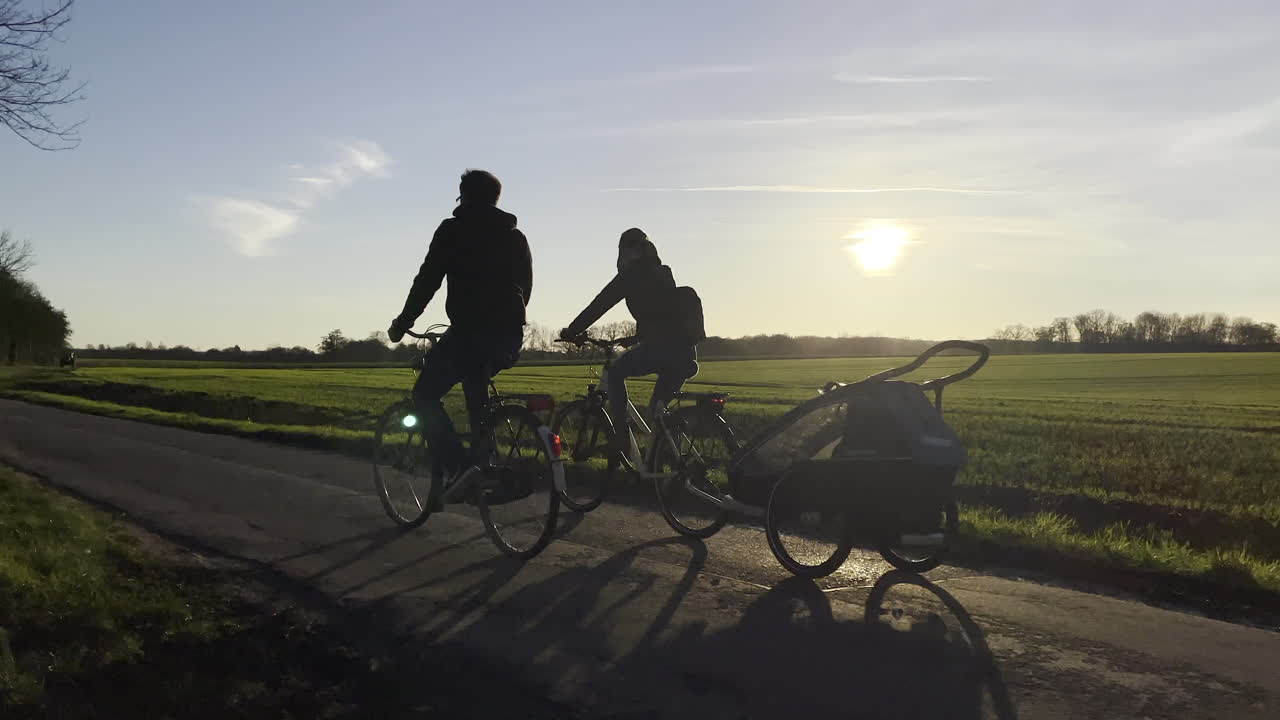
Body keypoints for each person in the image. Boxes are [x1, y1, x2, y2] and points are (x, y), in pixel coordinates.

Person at [388, 169, 532, 486]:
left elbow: (427, 282)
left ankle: (458, 469)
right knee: (474, 381)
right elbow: (526, 288)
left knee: (424, 394)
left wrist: (402, 323)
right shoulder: (515, 236)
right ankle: (484, 460)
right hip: (509, 335)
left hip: (469, 332)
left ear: (463, 195)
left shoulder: (453, 231)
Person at [559, 228, 699, 454]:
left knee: (614, 372)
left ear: (626, 251)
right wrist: (636, 338)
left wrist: (572, 330)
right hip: (685, 353)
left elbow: (600, 303)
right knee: (658, 411)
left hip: (661, 349)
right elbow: (661, 313)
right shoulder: (661, 271)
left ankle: (620, 433)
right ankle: (671, 467)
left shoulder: (630, 275)